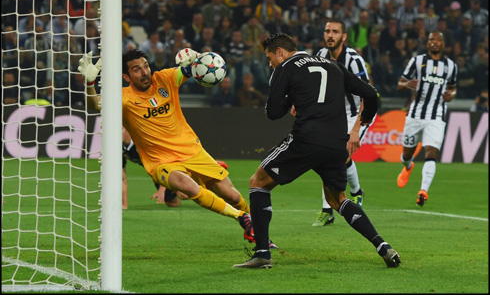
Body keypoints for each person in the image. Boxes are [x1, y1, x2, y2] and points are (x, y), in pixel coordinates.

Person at [233, 33, 400, 269]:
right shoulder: (334, 66)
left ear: (281, 52)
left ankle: (262, 254)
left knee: (258, 181)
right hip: (336, 144)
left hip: (307, 139)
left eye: (270, 58)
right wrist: (364, 120)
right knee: (338, 199)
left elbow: (273, 112)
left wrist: (289, 95)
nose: (270, 64)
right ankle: (383, 246)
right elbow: (371, 94)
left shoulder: (285, 68)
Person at [78, 49, 259, 245]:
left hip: (193, 152)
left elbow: (199, 67)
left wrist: (196, 55)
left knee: (232, 195)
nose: (144, 72)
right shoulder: (124, 98)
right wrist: (89, 84)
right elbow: (94, 104)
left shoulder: (165, 78)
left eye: (146, 66)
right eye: (136, 70)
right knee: (188, 186)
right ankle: (241, 218)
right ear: (126, 76)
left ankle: (259, 233)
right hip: (161, 162)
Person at [312, 18, 373, 227]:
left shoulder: (354, 60)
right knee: (323, 155)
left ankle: (354, 192)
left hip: (355, 113)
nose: (330, 35)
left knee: (339, 153)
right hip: (332, 113)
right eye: (327, 31)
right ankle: (328, 209)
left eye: (335, 32)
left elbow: (368, 93)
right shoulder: (320, 56)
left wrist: (356, 129)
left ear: (344, 37)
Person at [396, 31, 458, 206]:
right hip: (415, 114)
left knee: (431, 152)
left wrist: (451, 95)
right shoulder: (417, 61)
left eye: (438, 39)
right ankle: (408, 166)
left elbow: (453, 88)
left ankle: (423, 191)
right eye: (431, 39)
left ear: (443, 44)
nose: (434, 42)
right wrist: (406, 84)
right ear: (427, 43)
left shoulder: (451, 66)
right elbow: (400, 84)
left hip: (437, 115)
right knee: (407, 154)